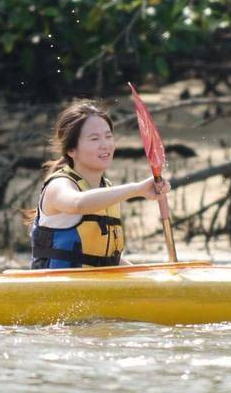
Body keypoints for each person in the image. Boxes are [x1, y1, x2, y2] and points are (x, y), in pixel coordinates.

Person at [28, 99, 167, 269]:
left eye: (108, 136)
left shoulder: (106, 189)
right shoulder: (59, 185)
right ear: (72, 150)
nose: (105, 145)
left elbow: (106, 260)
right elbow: (78, 203)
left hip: (95, 289)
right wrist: (137, 189)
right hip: (56, 289)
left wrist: (148, 277)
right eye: (94, 139)